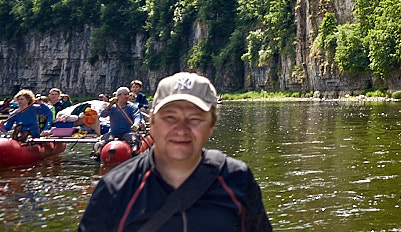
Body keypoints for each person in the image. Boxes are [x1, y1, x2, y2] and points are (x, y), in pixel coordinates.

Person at [78, 72, 271, 231]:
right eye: (170, 117)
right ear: (153, 122)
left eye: (195, 118)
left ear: (211, 125)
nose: (181, 129)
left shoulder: (237, 179)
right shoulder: (115, 189)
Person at [96, 86, 143, 155]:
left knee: (133, 139)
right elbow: (103, 115)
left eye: (128, 94)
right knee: (105, 140)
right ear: (118, 96)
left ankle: (134, 152)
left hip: (128, 131)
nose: (127, 96)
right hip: (114, 132)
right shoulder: (112, 107)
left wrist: (136, 124)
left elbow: (137, 116)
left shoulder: (132, 107)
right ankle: (97, 153)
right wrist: (109, 105)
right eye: (125, 94)